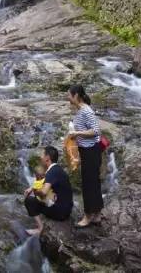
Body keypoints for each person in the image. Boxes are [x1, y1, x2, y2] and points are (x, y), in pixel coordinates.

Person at [67, 85, 103, 228]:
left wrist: (76, 134)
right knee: (94, 182)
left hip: (91, 151)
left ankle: (88, 216)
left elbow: (96, 131)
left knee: (88, 184)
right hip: (87, 150)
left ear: (76, 96)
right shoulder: (81, 110)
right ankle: (97, 214)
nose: (67, 97)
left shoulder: (86, 111)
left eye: (69, 95)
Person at [24, 146, 73, 236]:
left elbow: (43, 192)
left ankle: (40, 228)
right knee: (39, 197)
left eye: (42, 155)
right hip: (67, 209)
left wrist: (35, 191)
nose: (40, 157)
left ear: (47, 158)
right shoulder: (57, 169)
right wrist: (32, 187)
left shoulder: (52, 172)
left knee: (29, 200)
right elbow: (44, 181)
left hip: (60, 212)